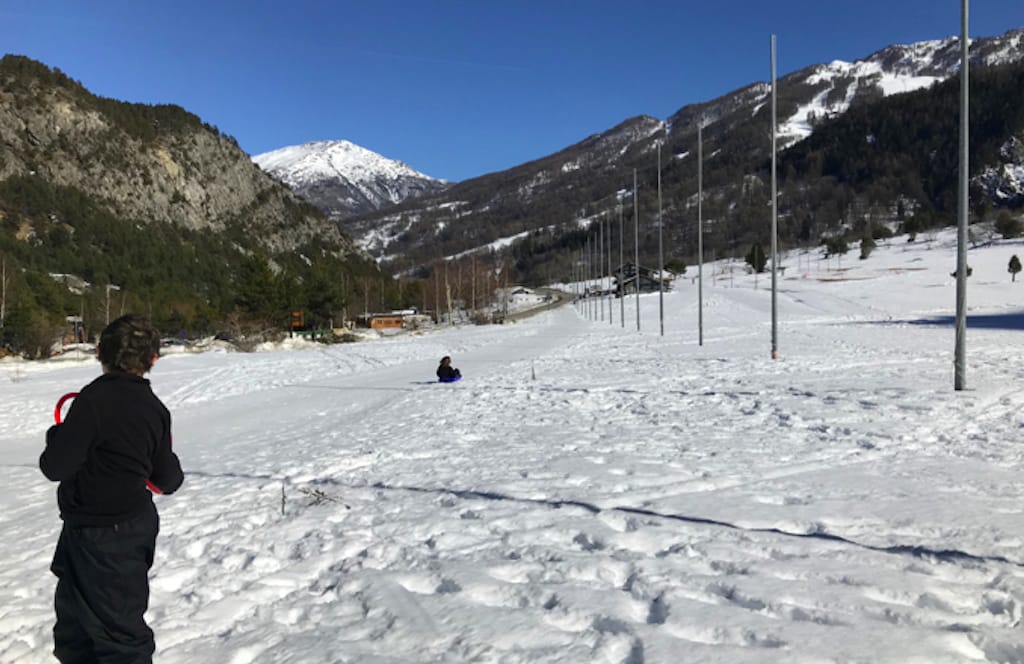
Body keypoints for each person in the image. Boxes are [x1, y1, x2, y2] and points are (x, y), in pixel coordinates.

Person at [40, 314, 184, 663]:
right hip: (116, 531)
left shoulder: (91, 401)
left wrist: (56, 437)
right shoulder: (155, 409)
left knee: (115, 638)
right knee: (77, 632)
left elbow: (55, 466)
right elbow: (167, 479)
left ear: (100, 352)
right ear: (153, 359)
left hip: (102, 538)